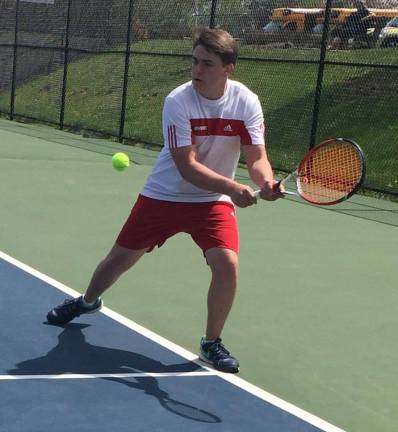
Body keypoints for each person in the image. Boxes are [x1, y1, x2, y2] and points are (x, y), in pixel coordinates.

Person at [46, 28, 283, 374]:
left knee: (227, 264)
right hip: (165, 196)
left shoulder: (246, 101)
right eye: (195, 61)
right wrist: (233, 187)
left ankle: (211, 343)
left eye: (207, 63)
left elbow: (257, 157)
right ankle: (86, 301)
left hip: (212, 201)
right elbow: (187, 167)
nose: (197, 70)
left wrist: (267, 182)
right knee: (117, 262)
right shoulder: (178, 101)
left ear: (228, 68)